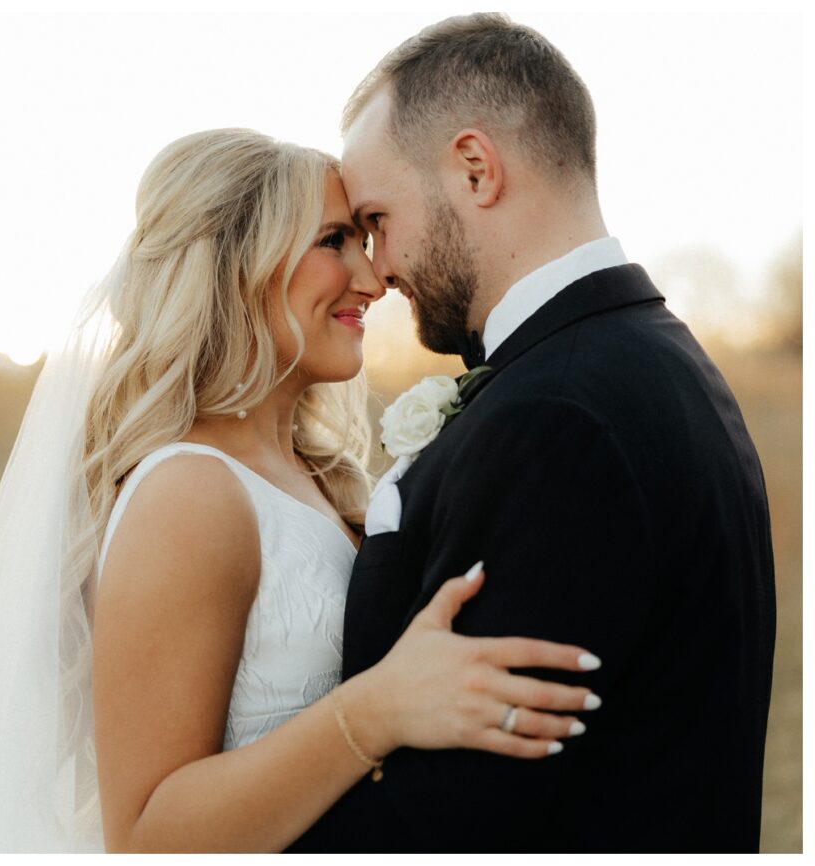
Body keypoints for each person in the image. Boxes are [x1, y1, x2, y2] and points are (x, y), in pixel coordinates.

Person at [0, 128, 598, 853]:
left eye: (366, 244)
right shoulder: (189, 493)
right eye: (334, 241)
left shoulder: (306, 472)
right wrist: (374, 713)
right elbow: (149, 837)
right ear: (239, 267)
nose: (373, 282)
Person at [291, 14, 774, 852]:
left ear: (475, 169)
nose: (376, 266)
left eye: (376, 218)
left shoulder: (555, 423)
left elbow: (456, 826)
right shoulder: (658, 360)